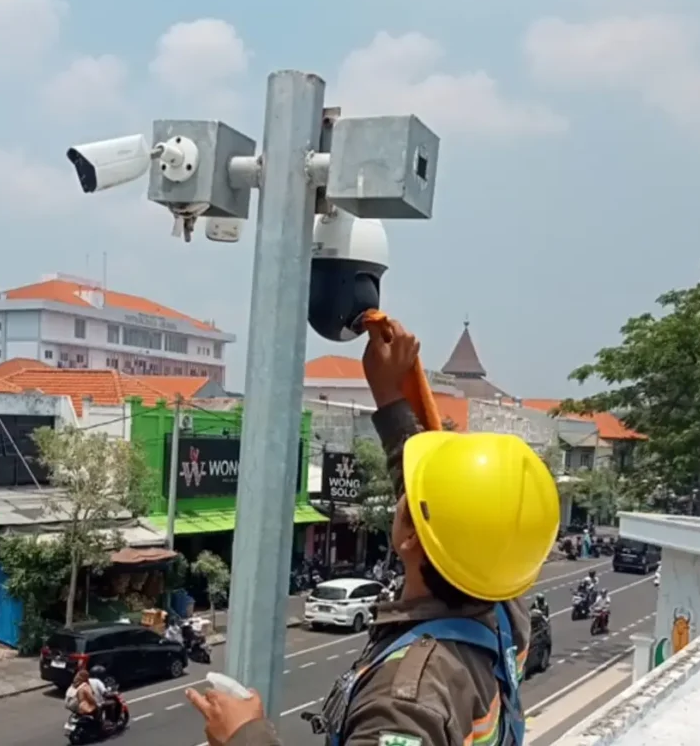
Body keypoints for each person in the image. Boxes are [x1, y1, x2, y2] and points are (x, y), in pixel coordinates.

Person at [186, 319, 559, 746]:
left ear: (412, 536)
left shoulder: (406, 703)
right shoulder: (505, 610)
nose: (404, 492)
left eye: (412, 496)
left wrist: (244, 736)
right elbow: (445, 513)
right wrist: (389, 393)